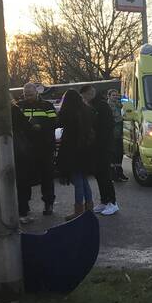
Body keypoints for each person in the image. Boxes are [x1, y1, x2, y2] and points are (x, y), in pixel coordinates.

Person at [15, 82, 58, 215]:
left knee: (47, 177)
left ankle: (48, 204)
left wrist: (41, 127)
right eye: (26, 95)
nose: (28, 97)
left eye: (31, 94)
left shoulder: (47, 106)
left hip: (45, 147)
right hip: (26, 149)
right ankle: (24, 206)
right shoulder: (20, 106)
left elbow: (55, 122)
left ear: (37, 93)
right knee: (24, 179)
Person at [81, 84, 119, 215]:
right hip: (95, 147)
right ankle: (104, 201)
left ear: (90, 93)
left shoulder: (102, 106)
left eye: (84, 96)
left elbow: (108, 126)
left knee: (105, 175)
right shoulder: (91, 106)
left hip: (103, 147)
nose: (83, 99)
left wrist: (101, 143)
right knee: (98, 174)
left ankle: (112, 202)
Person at [57, 89, 95, 220]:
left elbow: (58, 123)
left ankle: (78, 210)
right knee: (83, 180)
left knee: (78, 181)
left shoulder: (68, 112)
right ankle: (89, 207)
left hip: (72, 149)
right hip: (85, 149)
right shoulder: (86, 110)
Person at [107, 89, 128, 182]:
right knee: (113, 155)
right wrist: (123, 118)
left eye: (116, 95)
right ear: (109, 96)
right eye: (113, 95)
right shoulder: (109, 106)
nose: (115, 97)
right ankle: (113, 175)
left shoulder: (118, 105)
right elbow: (114, 119)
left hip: (119, 133)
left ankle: (119, 173)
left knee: (119, 154)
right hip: (112, 134)